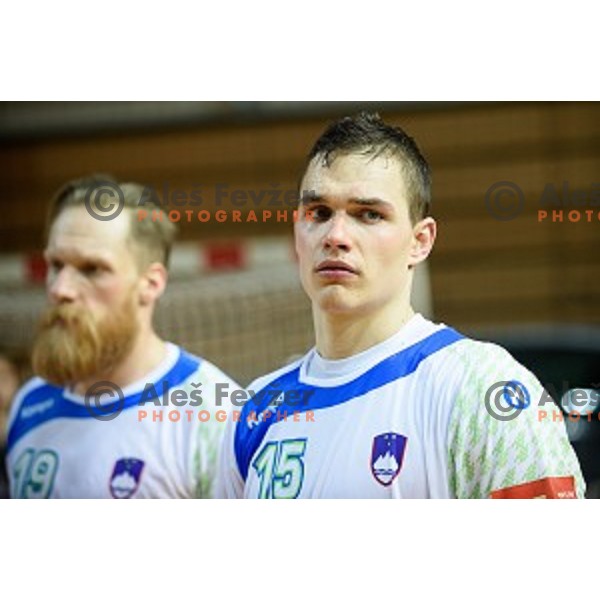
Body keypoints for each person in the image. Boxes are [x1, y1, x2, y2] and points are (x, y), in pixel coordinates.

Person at [216, 112, 585, 499]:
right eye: (319, 213)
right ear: (297, 231)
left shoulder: (483, 387)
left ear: (420, 241)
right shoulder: (255, 412)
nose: (335, 235)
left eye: (369, 214)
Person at [6, 176, 240, 498]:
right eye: (55, 265)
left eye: (92, 269)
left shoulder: (215, 413)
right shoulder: (29, 405)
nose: (61, 289)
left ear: (151, 283)